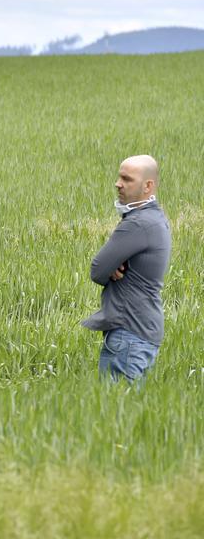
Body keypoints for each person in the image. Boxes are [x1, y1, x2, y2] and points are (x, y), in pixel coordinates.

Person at [83, 154, 171, 381]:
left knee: (114, 411)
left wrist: (111, 267)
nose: (118, 184)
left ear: (147, 186)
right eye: (119, 177)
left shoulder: (137, 224)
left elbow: (98, 269)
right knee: (129, 410)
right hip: (143, 331)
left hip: (129, 333)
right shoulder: (156, 218)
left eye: (127, 179)